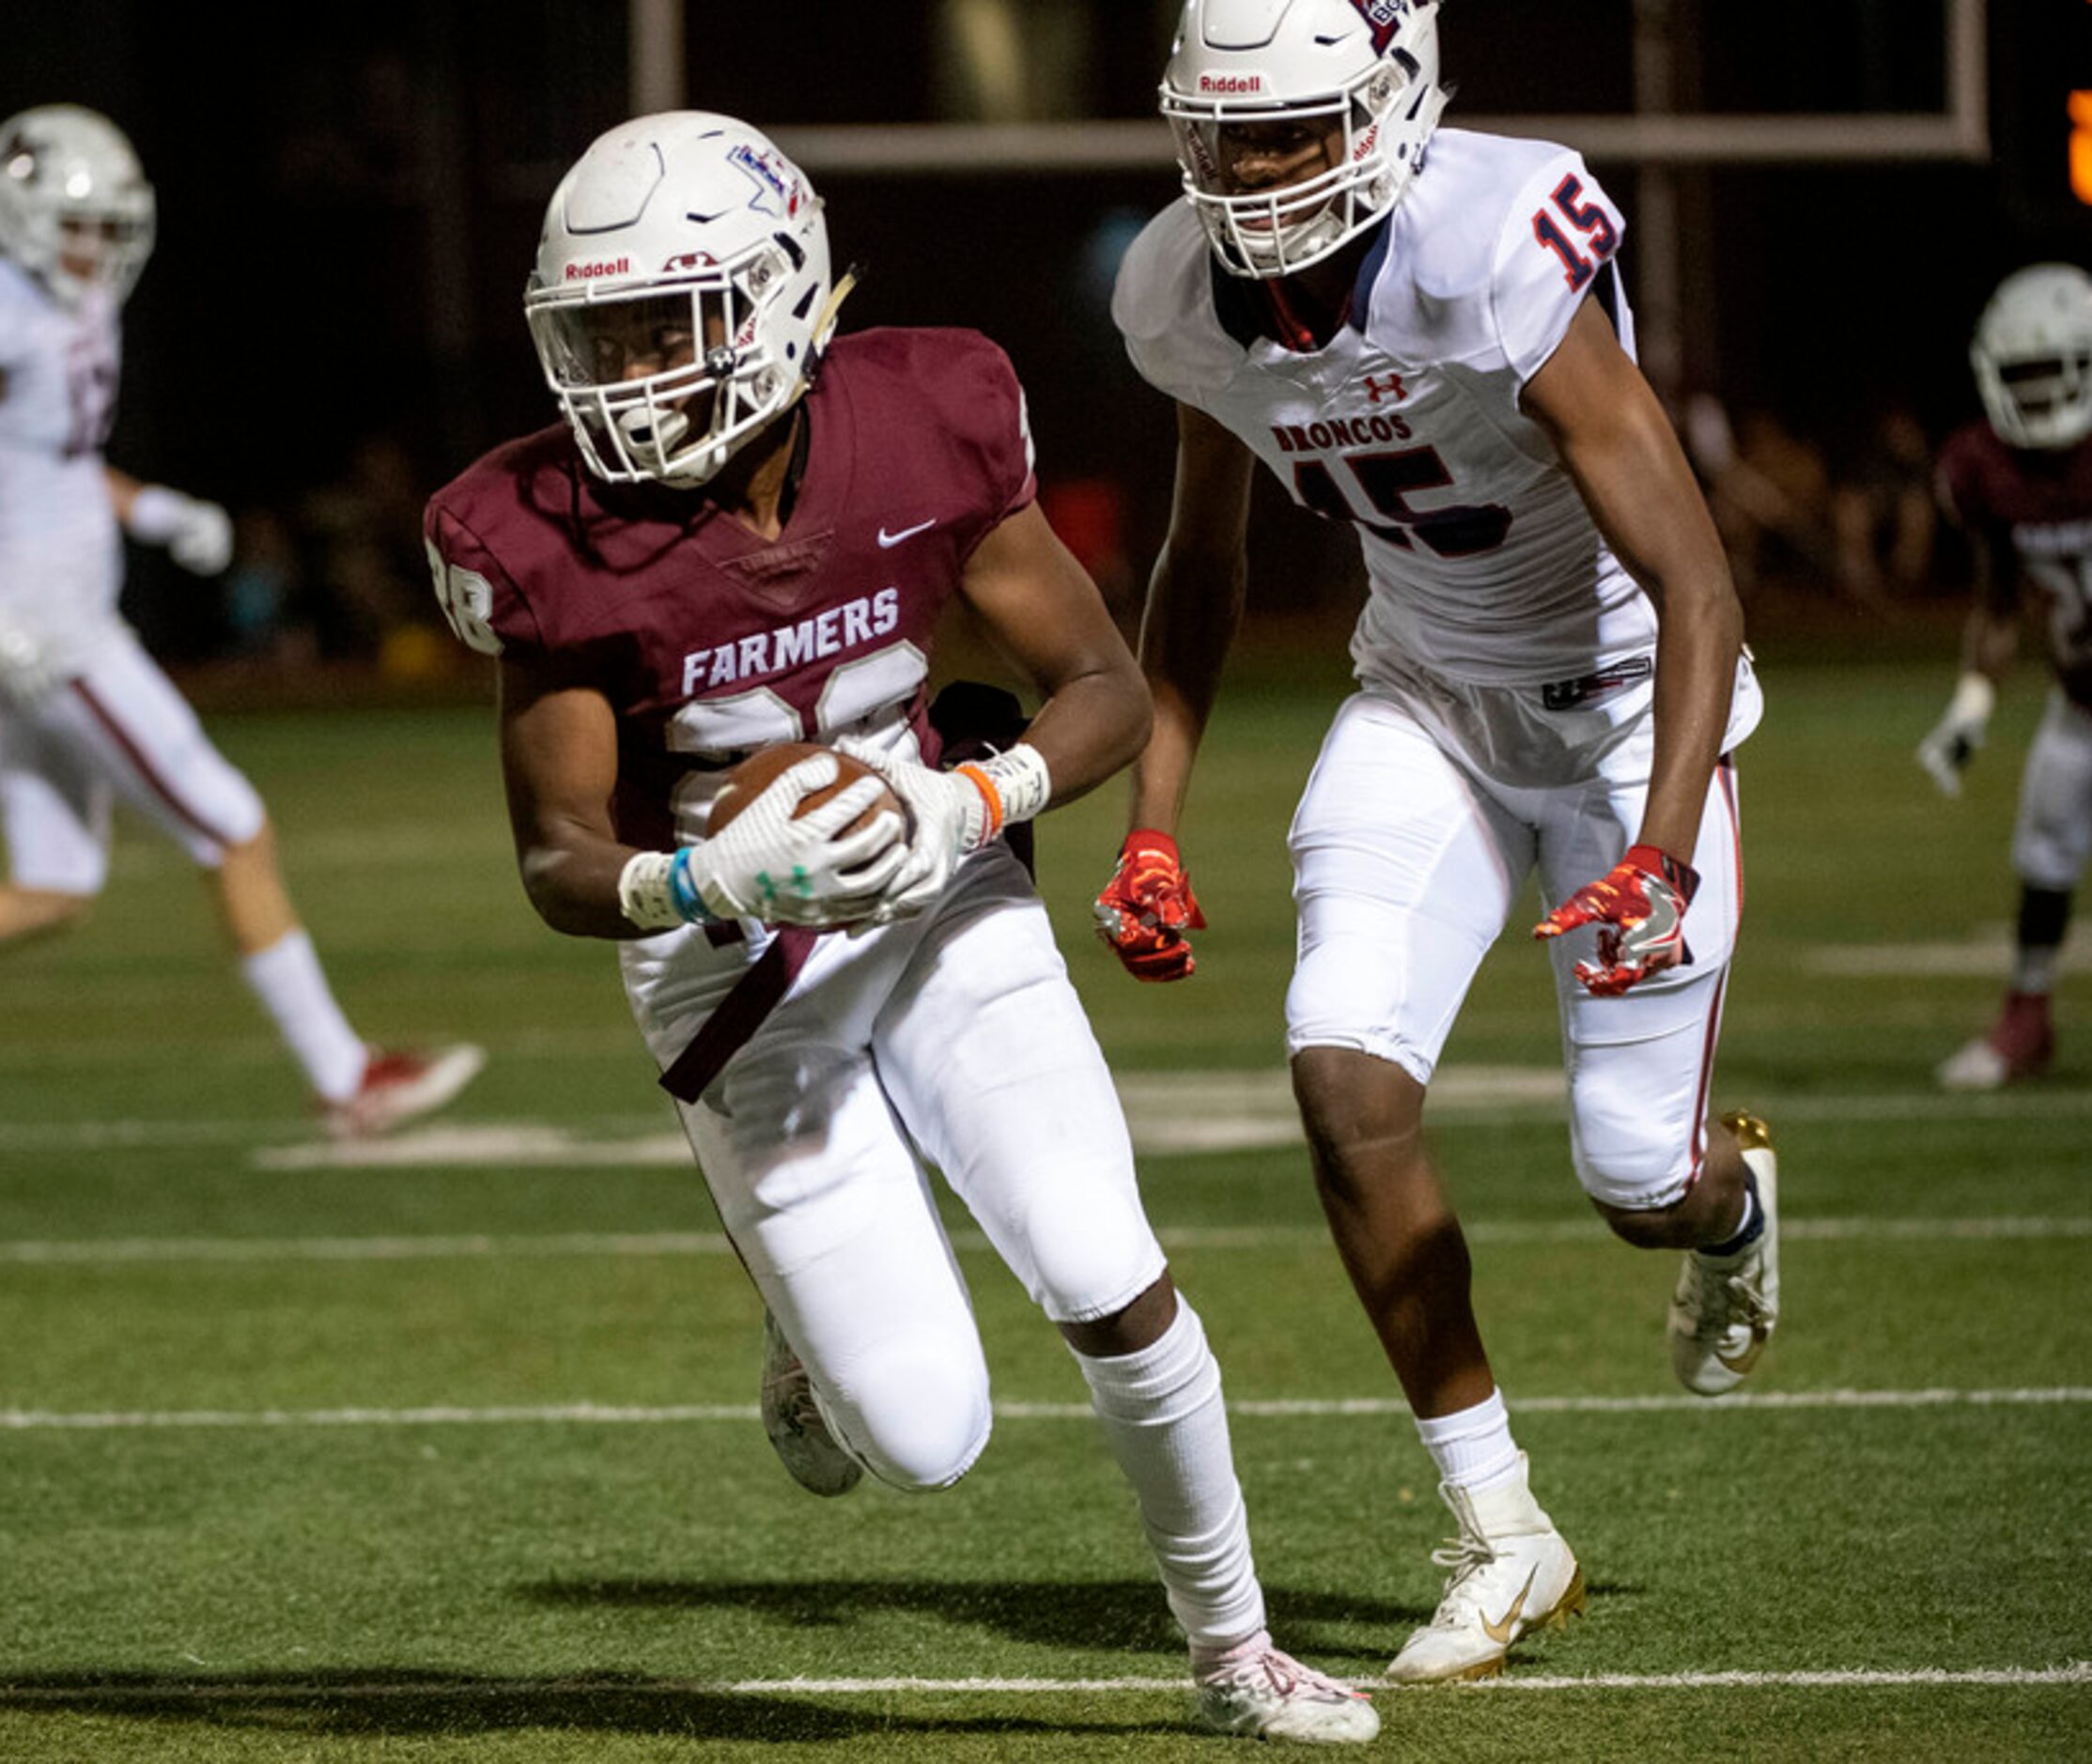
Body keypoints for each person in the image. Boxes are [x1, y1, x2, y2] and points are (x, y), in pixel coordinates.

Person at [425, 110, 1376, 1745]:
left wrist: (968, 801)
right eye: (599, 336)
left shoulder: (924, 415)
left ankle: (1236, 1645)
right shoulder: (541, 533)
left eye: (672, 323)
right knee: (928, 1435)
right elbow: (559, 855)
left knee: (1099, 1259)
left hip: (934, 879)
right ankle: (796, 1322)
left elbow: (1105, 689)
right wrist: (701, 881)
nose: (631, 374)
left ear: (790, 298)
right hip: (726, 963)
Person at [1091, 0, 1780, 1684]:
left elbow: (1697, 583)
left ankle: (1731, 1205)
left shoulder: (1491, 244)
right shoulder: (1183, 293)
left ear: (1393, 105)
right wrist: (1154, 821)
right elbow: (1200, 562)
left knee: (1638, 1181)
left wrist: (1666, 845)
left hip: (1627, 711)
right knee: (1341, 1067)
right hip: (1431, 699)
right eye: (1224, 133)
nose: (1250, 174)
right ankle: (1502, 1522)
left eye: (1290, 132)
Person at [0, 103, 480, 1147]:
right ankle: (344, 1078)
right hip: (48, 630)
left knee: (53, 884)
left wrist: (151, 509)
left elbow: (52, 462)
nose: (97, 248)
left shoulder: (73, 308)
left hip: (49, 621)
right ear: (15, 214)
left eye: (107, 226)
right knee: (232, 826)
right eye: (78, 226)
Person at [1919, 263, 2092, 1089]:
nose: (2035, 396)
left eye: (2051, 374)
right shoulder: (1983, 469)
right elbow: (1997, 599)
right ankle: (2026, 1019)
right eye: (2021, 376)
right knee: (2044, 844)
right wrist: (1971, 705)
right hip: (2079, 702)